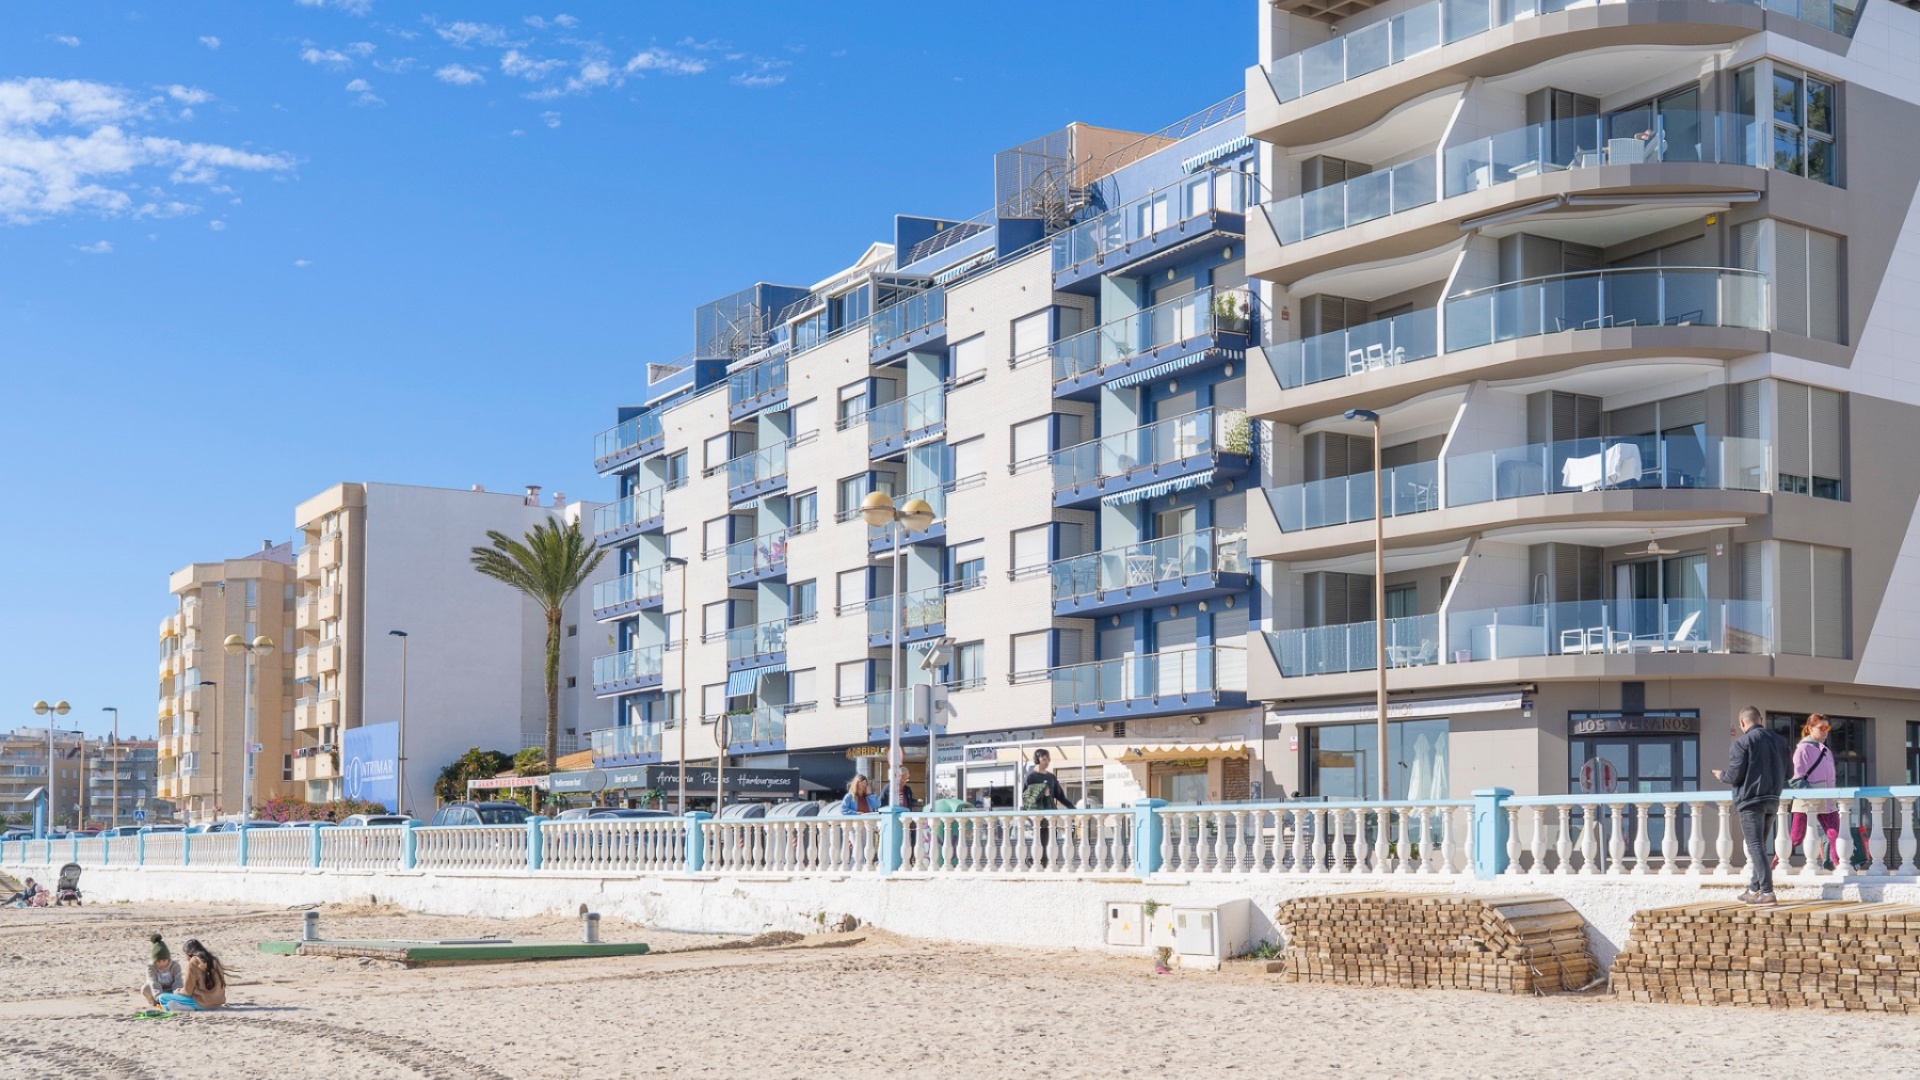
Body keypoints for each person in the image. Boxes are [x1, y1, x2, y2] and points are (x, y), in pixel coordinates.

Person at [1711, 705, 1792, 905]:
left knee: (1755, 846)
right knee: (1760, 847)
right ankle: (1753, 889)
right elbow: (1789, 774)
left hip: (1750, 801)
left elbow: (1734, 775)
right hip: (1772, 799)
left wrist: (1721, 775)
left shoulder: (1741, 743)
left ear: (1742, 723)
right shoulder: (1781, 742)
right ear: (1761, 720)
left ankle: (1767, 892)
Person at [1787, 714, 1841, 870]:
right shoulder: (1802, 750)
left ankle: (1838, 865)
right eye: (1821, 728)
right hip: (1806, 801)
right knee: (1796, 838)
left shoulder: (1826, 751)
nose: (1825, 731)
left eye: (1827, 728)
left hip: (1828, 801)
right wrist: (1811, 794)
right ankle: (1774, 864)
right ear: (1810, 728)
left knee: (1834, 834)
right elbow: (1796, 779)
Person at [1021, 749, 1075, 869]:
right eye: (1044, 759)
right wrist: (1040, 792)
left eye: (1048, 759)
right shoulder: (1031, 777)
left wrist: (1072, 808)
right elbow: (1026, 797)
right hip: (1038, 817)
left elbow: (1060, 796)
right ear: (1037, 760)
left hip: (1051, 814)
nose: (1047, 761)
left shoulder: (1051, 777)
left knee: (1051, 845)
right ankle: (1032, 862)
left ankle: (1039, 865)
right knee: (1043, 844)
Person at [155, 938, 226, 1012]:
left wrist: (177, 991)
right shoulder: (214, 960)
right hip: (218, 1002)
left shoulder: (193, 962)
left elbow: (187, 992)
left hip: (203, 1004)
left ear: (189, 953)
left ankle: (183, 1007)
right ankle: (176, 1006)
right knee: (171, 1001)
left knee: (162, 998)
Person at [142, 934, 184, 1007]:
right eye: (158, 961)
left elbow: (178, 982)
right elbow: (153, 983)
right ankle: (154, 1002)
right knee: (145, 988)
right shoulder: (150, 968)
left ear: (168, 958)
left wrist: (177, 997)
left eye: (164, 960)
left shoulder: (175, 966)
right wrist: (160, 998)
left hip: (172, 991)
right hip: (157, 993)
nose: (161, 963)